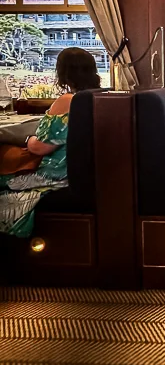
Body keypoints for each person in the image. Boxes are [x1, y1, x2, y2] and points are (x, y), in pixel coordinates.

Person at [0, 47, 100, 237]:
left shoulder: (68, 100)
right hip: (77, 172)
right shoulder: (98, 96)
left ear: (63, 73)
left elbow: (41, 147)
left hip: (54, 174)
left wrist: (29, 139)